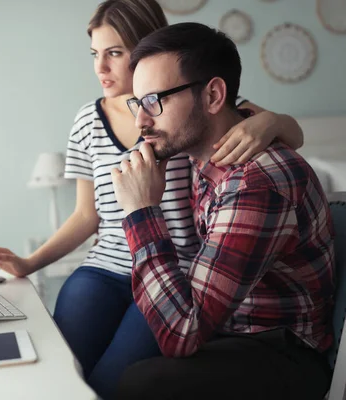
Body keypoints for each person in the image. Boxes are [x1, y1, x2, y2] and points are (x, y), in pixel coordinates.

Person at [0, 1, 304, 398]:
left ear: (146, 50)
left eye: (114, 53)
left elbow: (278, 132)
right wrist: (29, 263)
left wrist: (273, 122)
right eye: (95, 55)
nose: (101, 68)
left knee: (112, 384)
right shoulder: (89, 120)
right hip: (107, 265)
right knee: (60, 371)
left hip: (176, 267)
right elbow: (86, 215)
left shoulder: (196, 116)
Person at [111, 22, 334, 399]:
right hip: (230, 325)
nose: (140, 121)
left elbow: (182, 334)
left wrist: (140, 212)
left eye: (154, 102)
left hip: (281, 349)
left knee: (139, 384)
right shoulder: (211, 142)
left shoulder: (255, 183)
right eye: (137, 103)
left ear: (214, 96)